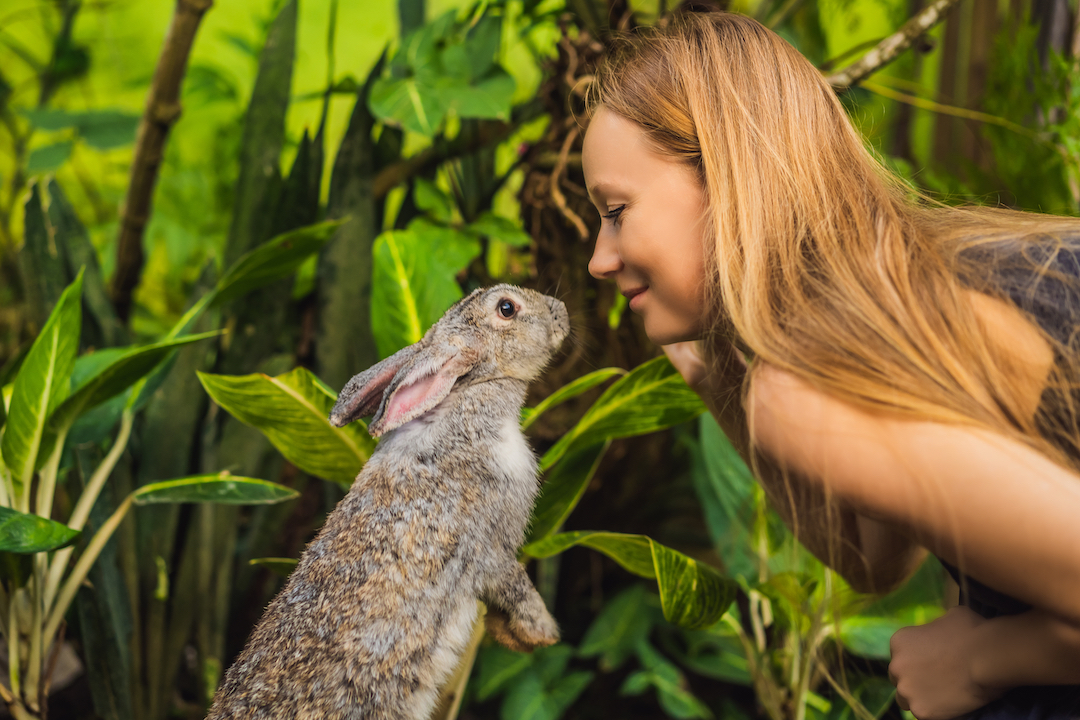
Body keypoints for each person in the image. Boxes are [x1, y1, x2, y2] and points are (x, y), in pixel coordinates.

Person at [579, 10, 1080, 720]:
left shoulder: (806, 388)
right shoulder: (910, 281)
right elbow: (873, 556)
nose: (598, 259)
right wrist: (718, 379)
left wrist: (976, 662)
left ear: (724, 181)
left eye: (616, 210)